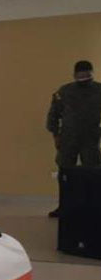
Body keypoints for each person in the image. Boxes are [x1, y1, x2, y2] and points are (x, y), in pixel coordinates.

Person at [46, 60, 101, 217]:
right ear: (75, 74)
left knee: (93, 173)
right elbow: (53, 115)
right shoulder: (64, 91)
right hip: (68, 138)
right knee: (65, 173)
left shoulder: (99, 90)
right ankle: (64, 206)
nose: (84, 77)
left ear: (91, 73)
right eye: (80, 74)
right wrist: (55, 135)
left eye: (86, 74)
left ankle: (93, 207)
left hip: (91, 139)